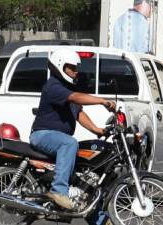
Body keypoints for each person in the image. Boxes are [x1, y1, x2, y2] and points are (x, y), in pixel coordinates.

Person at [29, 48, 116, 212]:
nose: (76, 72)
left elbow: (79, 113)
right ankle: (59, 192)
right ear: (60, 65)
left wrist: (98, 131)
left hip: (56, 137)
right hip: (42, 135)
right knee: (70, 144)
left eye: (76, 69)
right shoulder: (54, 86)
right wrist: (102, 101)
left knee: (81, 171)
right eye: (72, 68)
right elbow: (75, 98)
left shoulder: (66, 88)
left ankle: (98, 219)